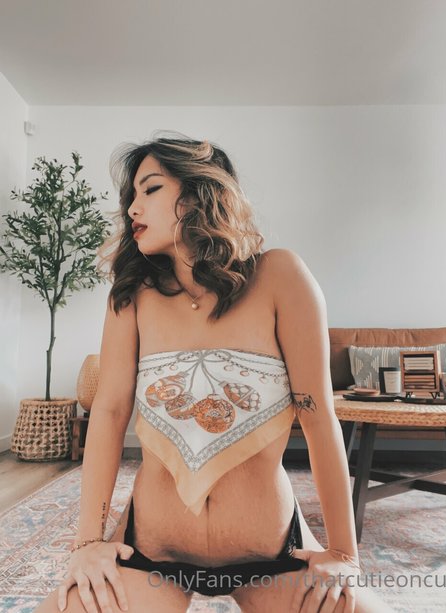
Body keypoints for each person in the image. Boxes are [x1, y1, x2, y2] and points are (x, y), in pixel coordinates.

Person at [35, 131, 395, 613]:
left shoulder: (280, 276)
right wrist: (87, 543)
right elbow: (109, 412)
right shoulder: (132, 295)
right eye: (131, 197)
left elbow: (318, 417)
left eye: (151, 188)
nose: (133, 208)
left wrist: (344, 554)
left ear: (199, 193)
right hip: (150, 552)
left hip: (273, 552)